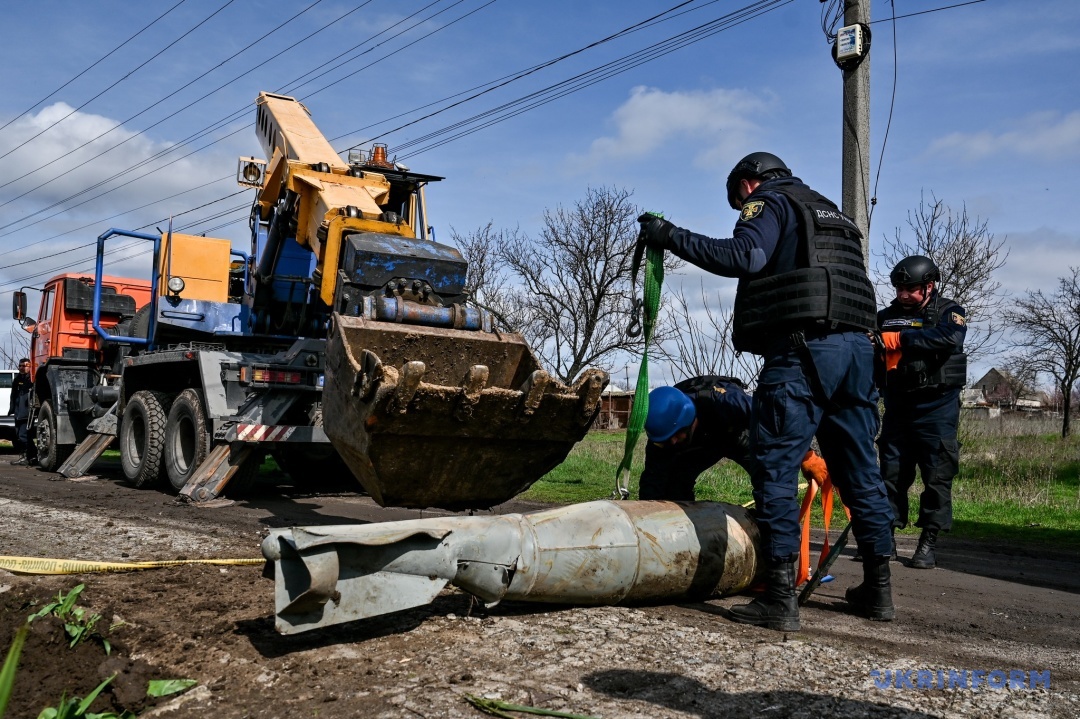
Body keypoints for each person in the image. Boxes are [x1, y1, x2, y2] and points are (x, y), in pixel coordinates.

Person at [638, 152, 895, 631]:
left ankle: (780, 599)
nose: (740, 210)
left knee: (774, 466)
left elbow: (744, 256)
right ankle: (878, 590)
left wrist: (668, 236)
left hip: (803, 351)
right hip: (858, 352)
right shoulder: (831, 213)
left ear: (749, 183)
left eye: (739, 200)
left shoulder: (770, 203)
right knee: (859, 467)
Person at [876, 255, 966, 569]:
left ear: (929, 286)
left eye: (910, 288)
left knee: (937, 477)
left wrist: (901, 338)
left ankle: (928, 542)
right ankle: (884, 540)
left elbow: (947, 339)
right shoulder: (885, 316)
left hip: (937, 408)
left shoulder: (949, 313)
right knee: (890, 475)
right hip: (899, 406)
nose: (903, 293)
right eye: (899, 288)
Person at [640, 376, 754, 501]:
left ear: (688, 421)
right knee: (674, 484)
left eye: (676, 435)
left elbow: (768, 415)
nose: (673, 441)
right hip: (698, 444)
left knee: (770, 477)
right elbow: (652, 480)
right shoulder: (662, 436)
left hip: (733, 435)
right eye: (667, 439)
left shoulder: (725, 401)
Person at [9, 358, 33, 465]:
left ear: (30, 366)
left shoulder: (32, 380)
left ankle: (27, 457)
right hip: (18, 412)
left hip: (27, 413)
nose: (22, 368)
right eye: (21, 366)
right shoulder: (17, 380)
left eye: (25, 365)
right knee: (19, 435)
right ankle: (31, 457)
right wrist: (12, 409)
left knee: (24, 436)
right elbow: (13, 396)